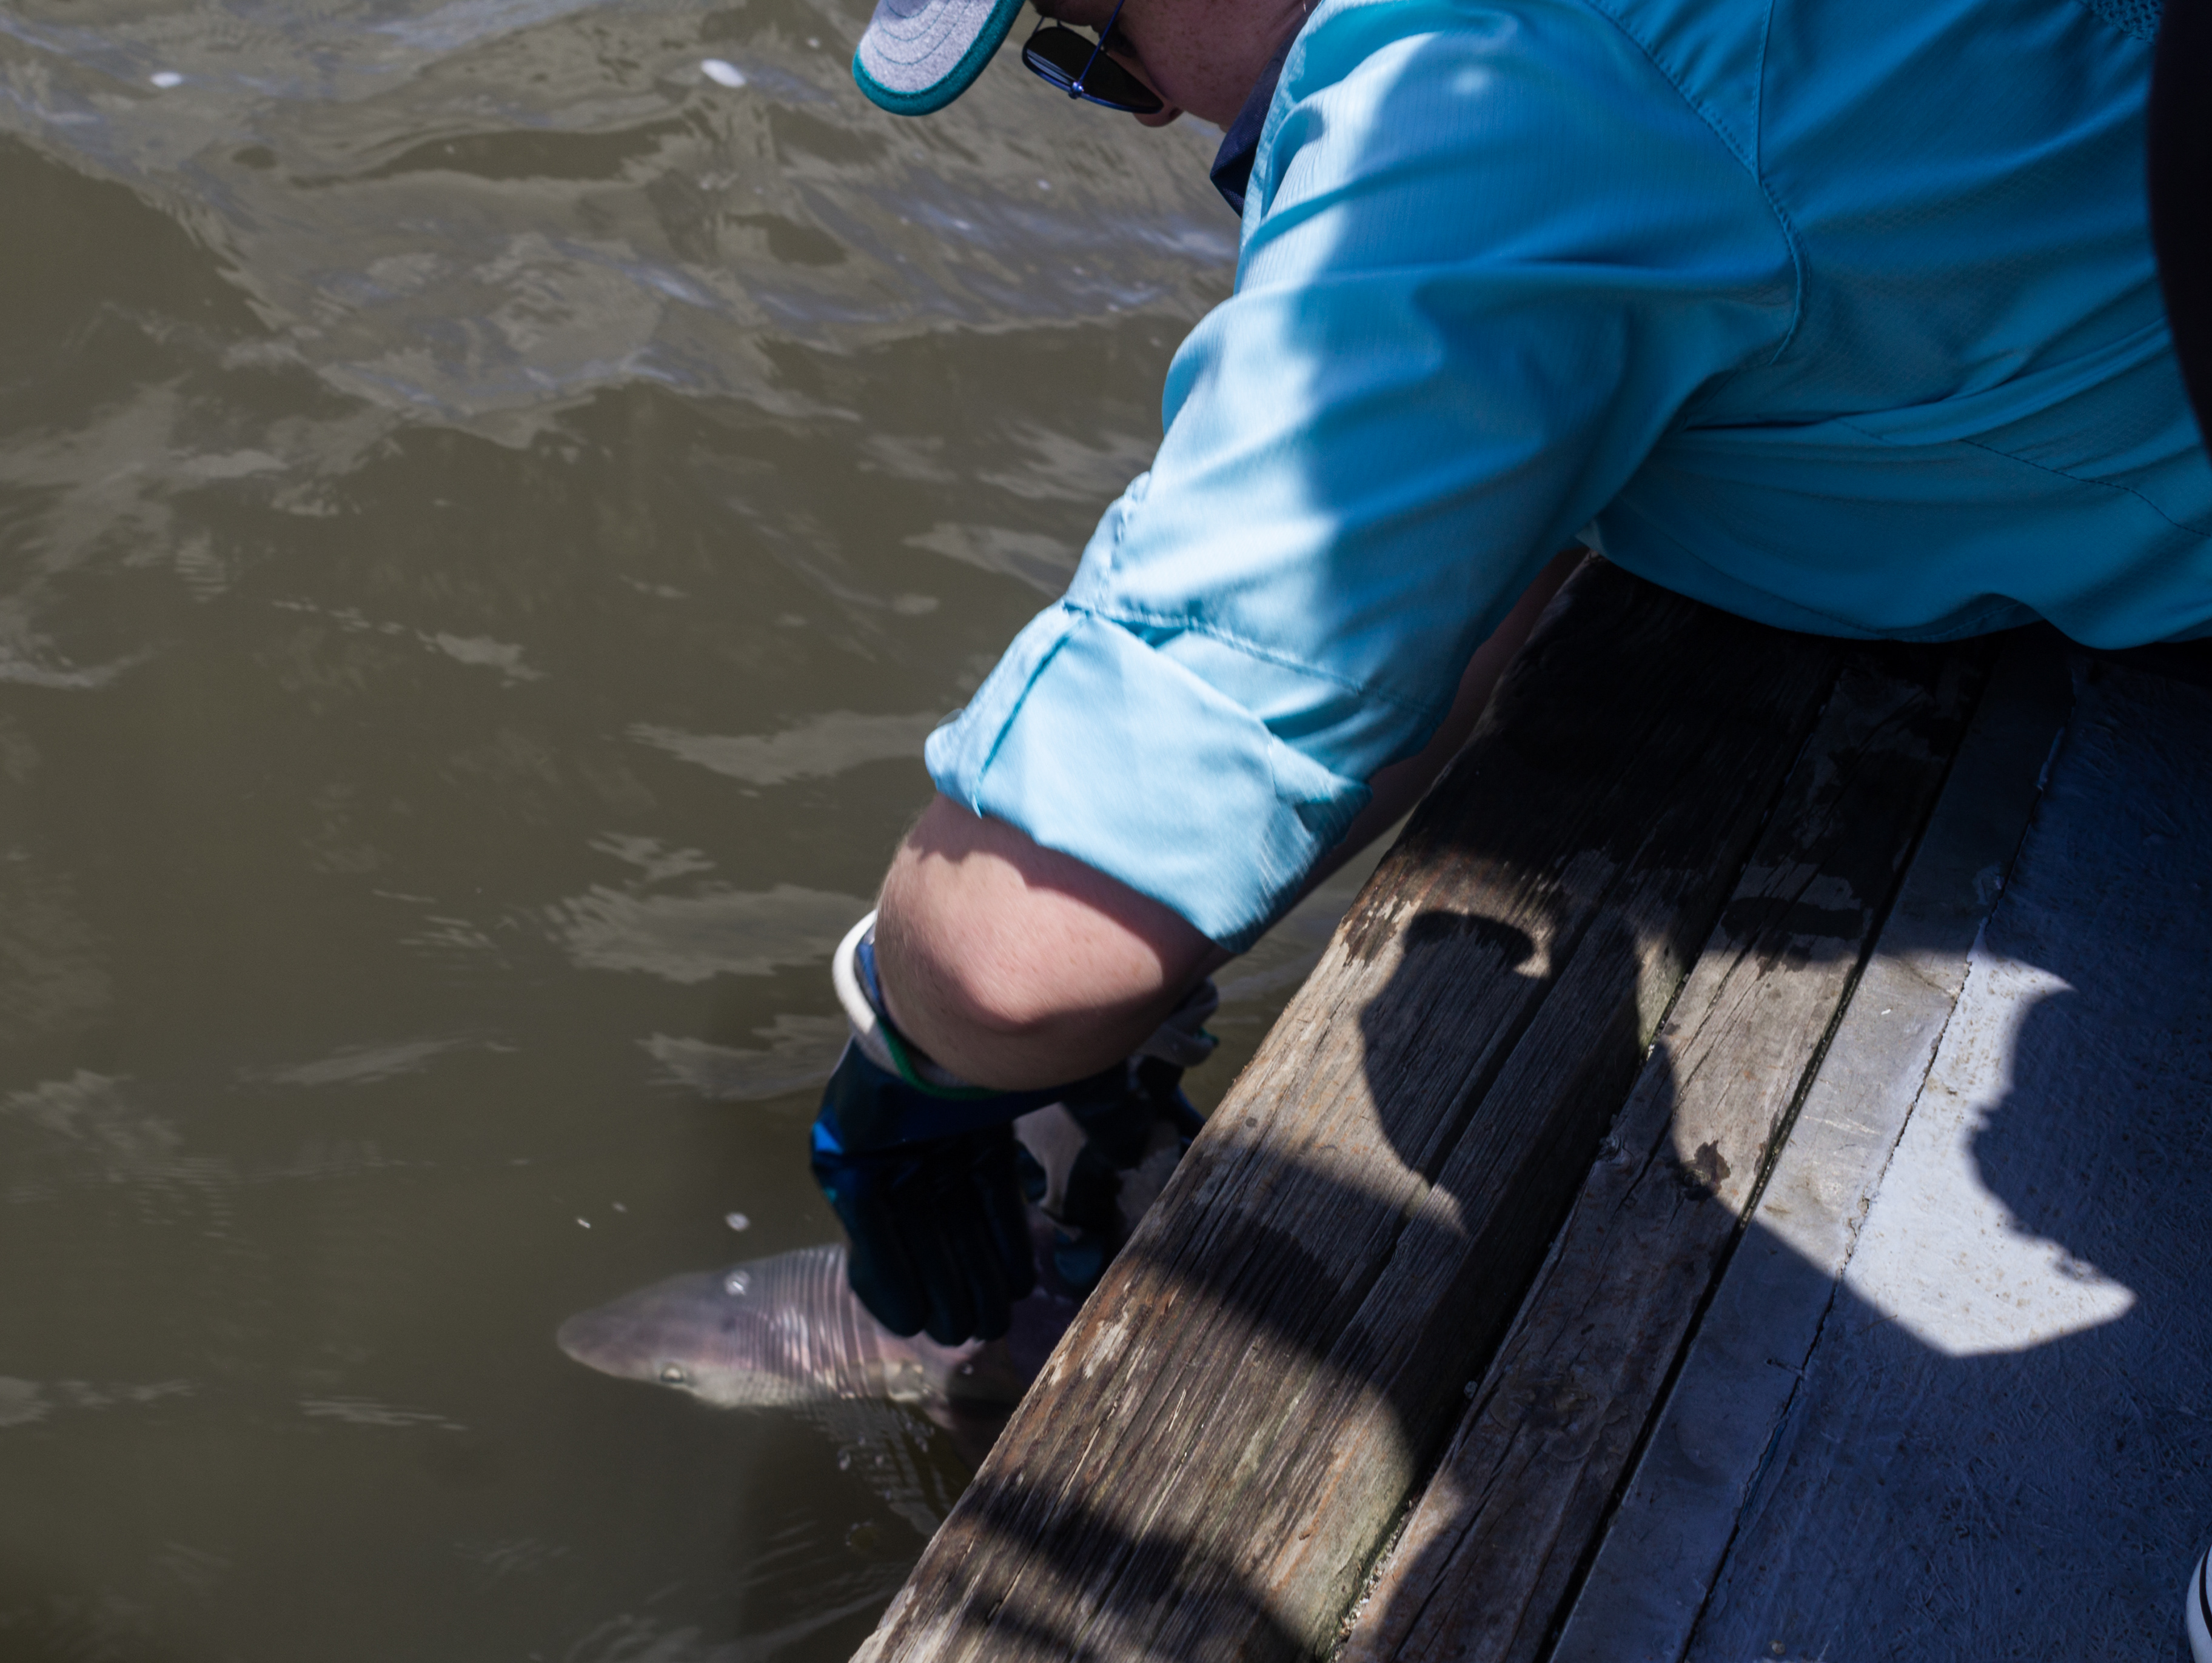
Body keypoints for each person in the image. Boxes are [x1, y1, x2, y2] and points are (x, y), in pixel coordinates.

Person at [811, 0, 2212, 1367]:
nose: (1164, 112)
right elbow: (1455, 572)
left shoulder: (1489, 81)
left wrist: (907, 1051)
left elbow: (1020, 949)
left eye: (1088, 54)